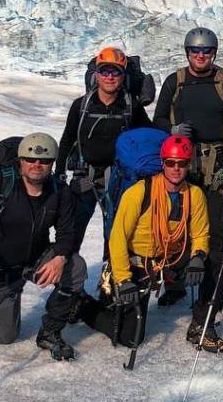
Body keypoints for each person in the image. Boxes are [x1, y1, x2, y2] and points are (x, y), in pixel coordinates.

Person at [0, 133, 85, 361]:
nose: (36, 165)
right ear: (20, 160)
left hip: (34, 259)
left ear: (52, 164)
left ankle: (50, 332)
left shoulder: (60, 191)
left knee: (76, 266)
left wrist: (60, 257)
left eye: (44, 161)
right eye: (30, 159)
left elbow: (67, 232)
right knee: (4, 335)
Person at [78, 135, 215, 350]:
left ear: (189, 165)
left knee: (212, 262)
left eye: (182, 164)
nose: (176, 169)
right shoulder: (140, 192)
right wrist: (124, 279)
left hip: (170, 258)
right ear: (162, 163)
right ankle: (82, 305)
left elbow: (201, 233)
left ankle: (202, 323)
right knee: (130, 337)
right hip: (137, 265)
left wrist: (198, 256)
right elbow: (118, 237)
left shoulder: (194, 194)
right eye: (170, 163)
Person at [153, 26, 223, 316]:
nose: (201, 56)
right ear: (187, 52)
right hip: (181, 163)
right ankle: (175, 284)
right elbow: (159, 118)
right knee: (176, 224)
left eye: (206, 51)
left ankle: (214, 289)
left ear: (213, 53)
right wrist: (172, 130)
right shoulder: (175, 82)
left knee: (214, 228)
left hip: (215, 164)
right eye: (195, 51)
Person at [56, 46, 152, 255]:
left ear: (123, 75)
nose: (110, 77)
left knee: (116, 233)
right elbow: (66, 141)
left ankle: (110, 283)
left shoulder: (131, 106)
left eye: (116, 71)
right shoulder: (81, 106)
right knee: (71, 233)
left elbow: (149, 135)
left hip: (118, 178)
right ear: (96, 74)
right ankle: (68, 285)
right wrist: (59, 173)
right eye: (105, 71)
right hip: (83, 176)